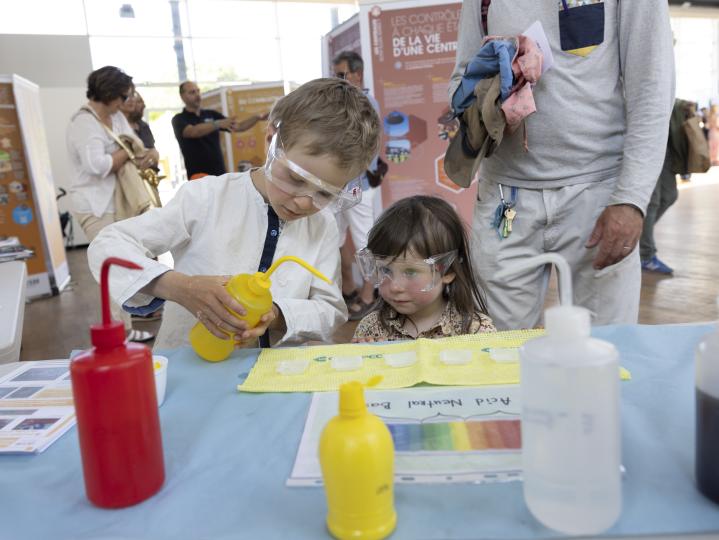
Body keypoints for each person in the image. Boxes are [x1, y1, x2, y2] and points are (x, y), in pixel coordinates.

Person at [88, 78, 380, 350]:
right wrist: (181, 287)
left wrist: (277, 315)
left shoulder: (323, 226)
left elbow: (329, 309)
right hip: (189, 372)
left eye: (326, 194)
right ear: (271, 140)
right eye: (295, 178)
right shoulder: (206, 198)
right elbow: (108, 246)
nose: (305, 203)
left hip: (276, 382)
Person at [449, 1, 674, 330]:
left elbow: (652, 85)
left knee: (605, 349)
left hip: (599, 194)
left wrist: (630, 199)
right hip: (504, 199)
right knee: (495, 351)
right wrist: (489, 92)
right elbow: (460, 80)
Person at [66, 65, 155, 342]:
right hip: (93, 205)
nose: (124, 102)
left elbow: (135, 143)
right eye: (121, 96)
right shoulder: (84, 123)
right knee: (110, 265)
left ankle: (125, 325)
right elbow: (98, 166)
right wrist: (125, 152)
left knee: (122, 261)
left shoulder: (115, 117)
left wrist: (131, 152)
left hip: (117, 201)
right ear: (109, 93)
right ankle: (120, 331)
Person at [353, 196, 495, 342]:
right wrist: (360, 358)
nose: (395, 287)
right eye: (385, 270)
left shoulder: (476, 331)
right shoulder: (370, 329)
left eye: (410, 272)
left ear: (448, 271)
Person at [332, 51, 383, 321]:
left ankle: (370, 294)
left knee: (365, 241)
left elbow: (368, 146)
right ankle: (348, 287)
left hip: (358, 185)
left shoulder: (366, 103)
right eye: (335, 74)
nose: (337, 79)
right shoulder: (339, 102)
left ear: (357, 75)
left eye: (342, 74)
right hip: (337, 185)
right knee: (336, 237)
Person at [172, 81, 267, 178]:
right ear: (182, 96)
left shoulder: (211, 114)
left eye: (198, 91)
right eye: (192, 92)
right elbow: (193, 132)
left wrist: (258, 117)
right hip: (197, 175)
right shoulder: (179, 119)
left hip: (219, 173)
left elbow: (239, 127)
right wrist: (217, 124)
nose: (197, 95)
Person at [121, 90, 159, 170]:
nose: (143, 106)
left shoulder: (143, 126)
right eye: (139, 102)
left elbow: (151, 149)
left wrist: (154, 154)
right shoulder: (119, 126)